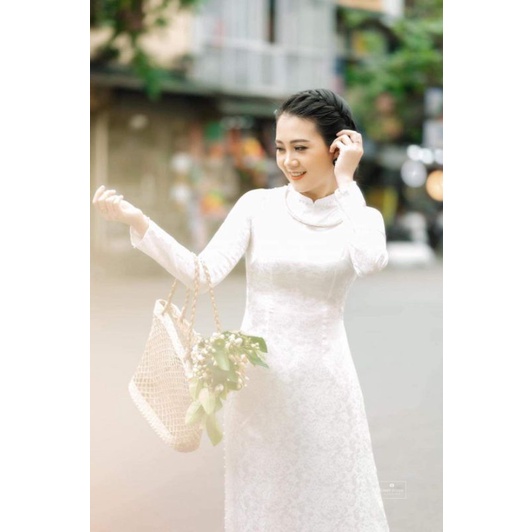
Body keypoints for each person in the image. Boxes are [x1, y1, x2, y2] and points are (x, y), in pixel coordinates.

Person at [93, 88, 390, 531]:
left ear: (336, 148)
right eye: (281, 148)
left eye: (301, 148)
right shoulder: (258, 206)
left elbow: (370, 261)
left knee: (330, 505)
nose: (288, 161)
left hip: (324, 388)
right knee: (263, 508)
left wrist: (347, 183)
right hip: (258, 388)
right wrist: (140, 223)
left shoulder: (359, 216)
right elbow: (201, 274)